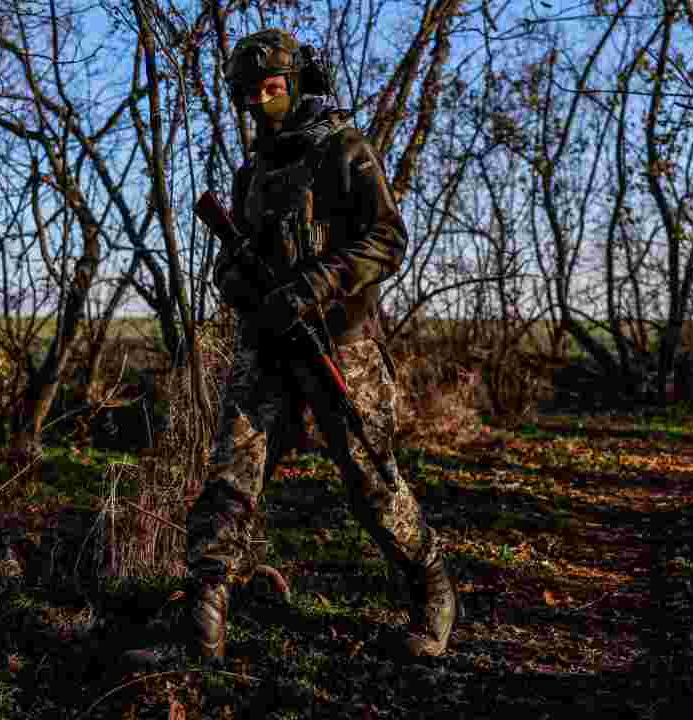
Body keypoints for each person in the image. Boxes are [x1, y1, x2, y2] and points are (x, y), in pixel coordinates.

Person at [184, 28, 458, 663]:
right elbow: (234, 256)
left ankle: (433, 587)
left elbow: (388, 238)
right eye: (247, 93)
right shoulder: (254, 168)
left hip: (339, 342)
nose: (259, 101)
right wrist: (237, 286)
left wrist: (313, 285)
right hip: (267, 346)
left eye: (271, 88)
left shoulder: (345, 149)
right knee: (232, 471)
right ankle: (203, 618)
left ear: (298, 83)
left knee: (370, 477)